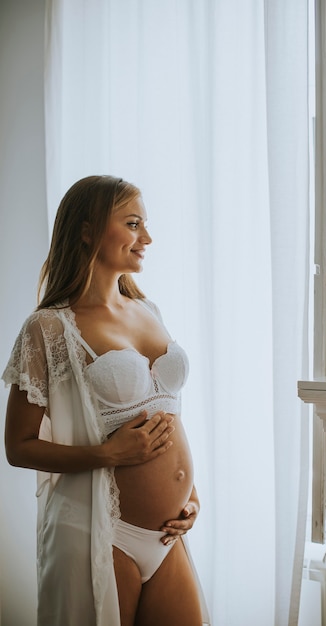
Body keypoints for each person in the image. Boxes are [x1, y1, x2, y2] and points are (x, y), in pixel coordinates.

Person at [2, 175, 209, 626]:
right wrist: (108, 453)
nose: (146, 238)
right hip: (101, 531)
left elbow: (168, 410)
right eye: (133, 224)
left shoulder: (148, 311)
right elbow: (17, 447)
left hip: (167, 536)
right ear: (87, 229)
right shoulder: (48, 328)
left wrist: (188, 493)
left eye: (146, 225)